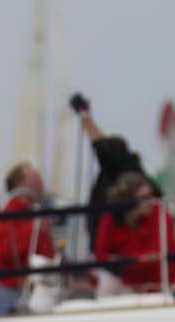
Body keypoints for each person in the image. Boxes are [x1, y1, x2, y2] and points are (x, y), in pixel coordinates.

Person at [69, 93, 162, 250]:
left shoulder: (114, 164)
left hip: (119, 244)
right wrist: (85, 116)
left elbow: (99, 143)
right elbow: (100, 141)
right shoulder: (132, 168)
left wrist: (84, 115)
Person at [94, 172, 175, 292]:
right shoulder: (110, 217)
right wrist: (133, 260)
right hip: (129, 279)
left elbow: (155, 254)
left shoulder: (160, 214)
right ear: (129, 200)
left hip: (168, 278)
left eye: (151, 195)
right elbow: (101, 254)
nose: (151, 201)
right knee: (105, 283)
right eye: (145, 197)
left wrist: (123, 260)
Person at [0, 162, 56, 316]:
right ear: (21, 185)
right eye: (36, 179)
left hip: (33, 290)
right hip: (10, 290)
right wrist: (34, 229)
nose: (41, 183)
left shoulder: (32, 213)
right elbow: (6, 250)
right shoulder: (8, 213)